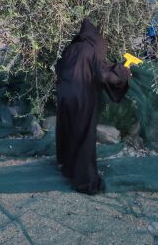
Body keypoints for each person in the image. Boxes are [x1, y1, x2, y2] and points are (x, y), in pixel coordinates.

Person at [56, 18, 131, 195]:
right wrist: (123, 73)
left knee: (69, 131)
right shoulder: (95, 47)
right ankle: (84, 182)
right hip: (82, 98)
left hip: (65, 96)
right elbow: (103, 75)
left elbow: (65, 67)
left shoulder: (72, 47)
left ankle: (68, 168)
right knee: (84, 136)